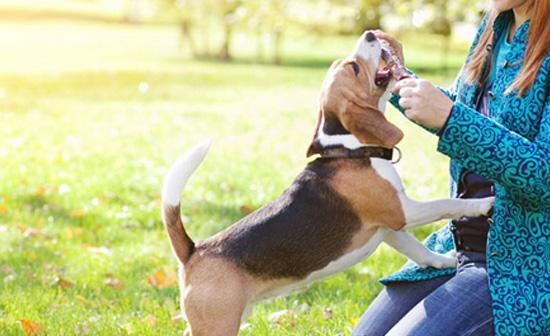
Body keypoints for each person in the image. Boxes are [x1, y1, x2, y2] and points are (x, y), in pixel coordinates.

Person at [351, 0, 549, 335]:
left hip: (520, 269)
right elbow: (458, 106)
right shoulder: (496, 27)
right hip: (458, 247)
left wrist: (450, 119)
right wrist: (396, 76)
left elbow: (543, 174)